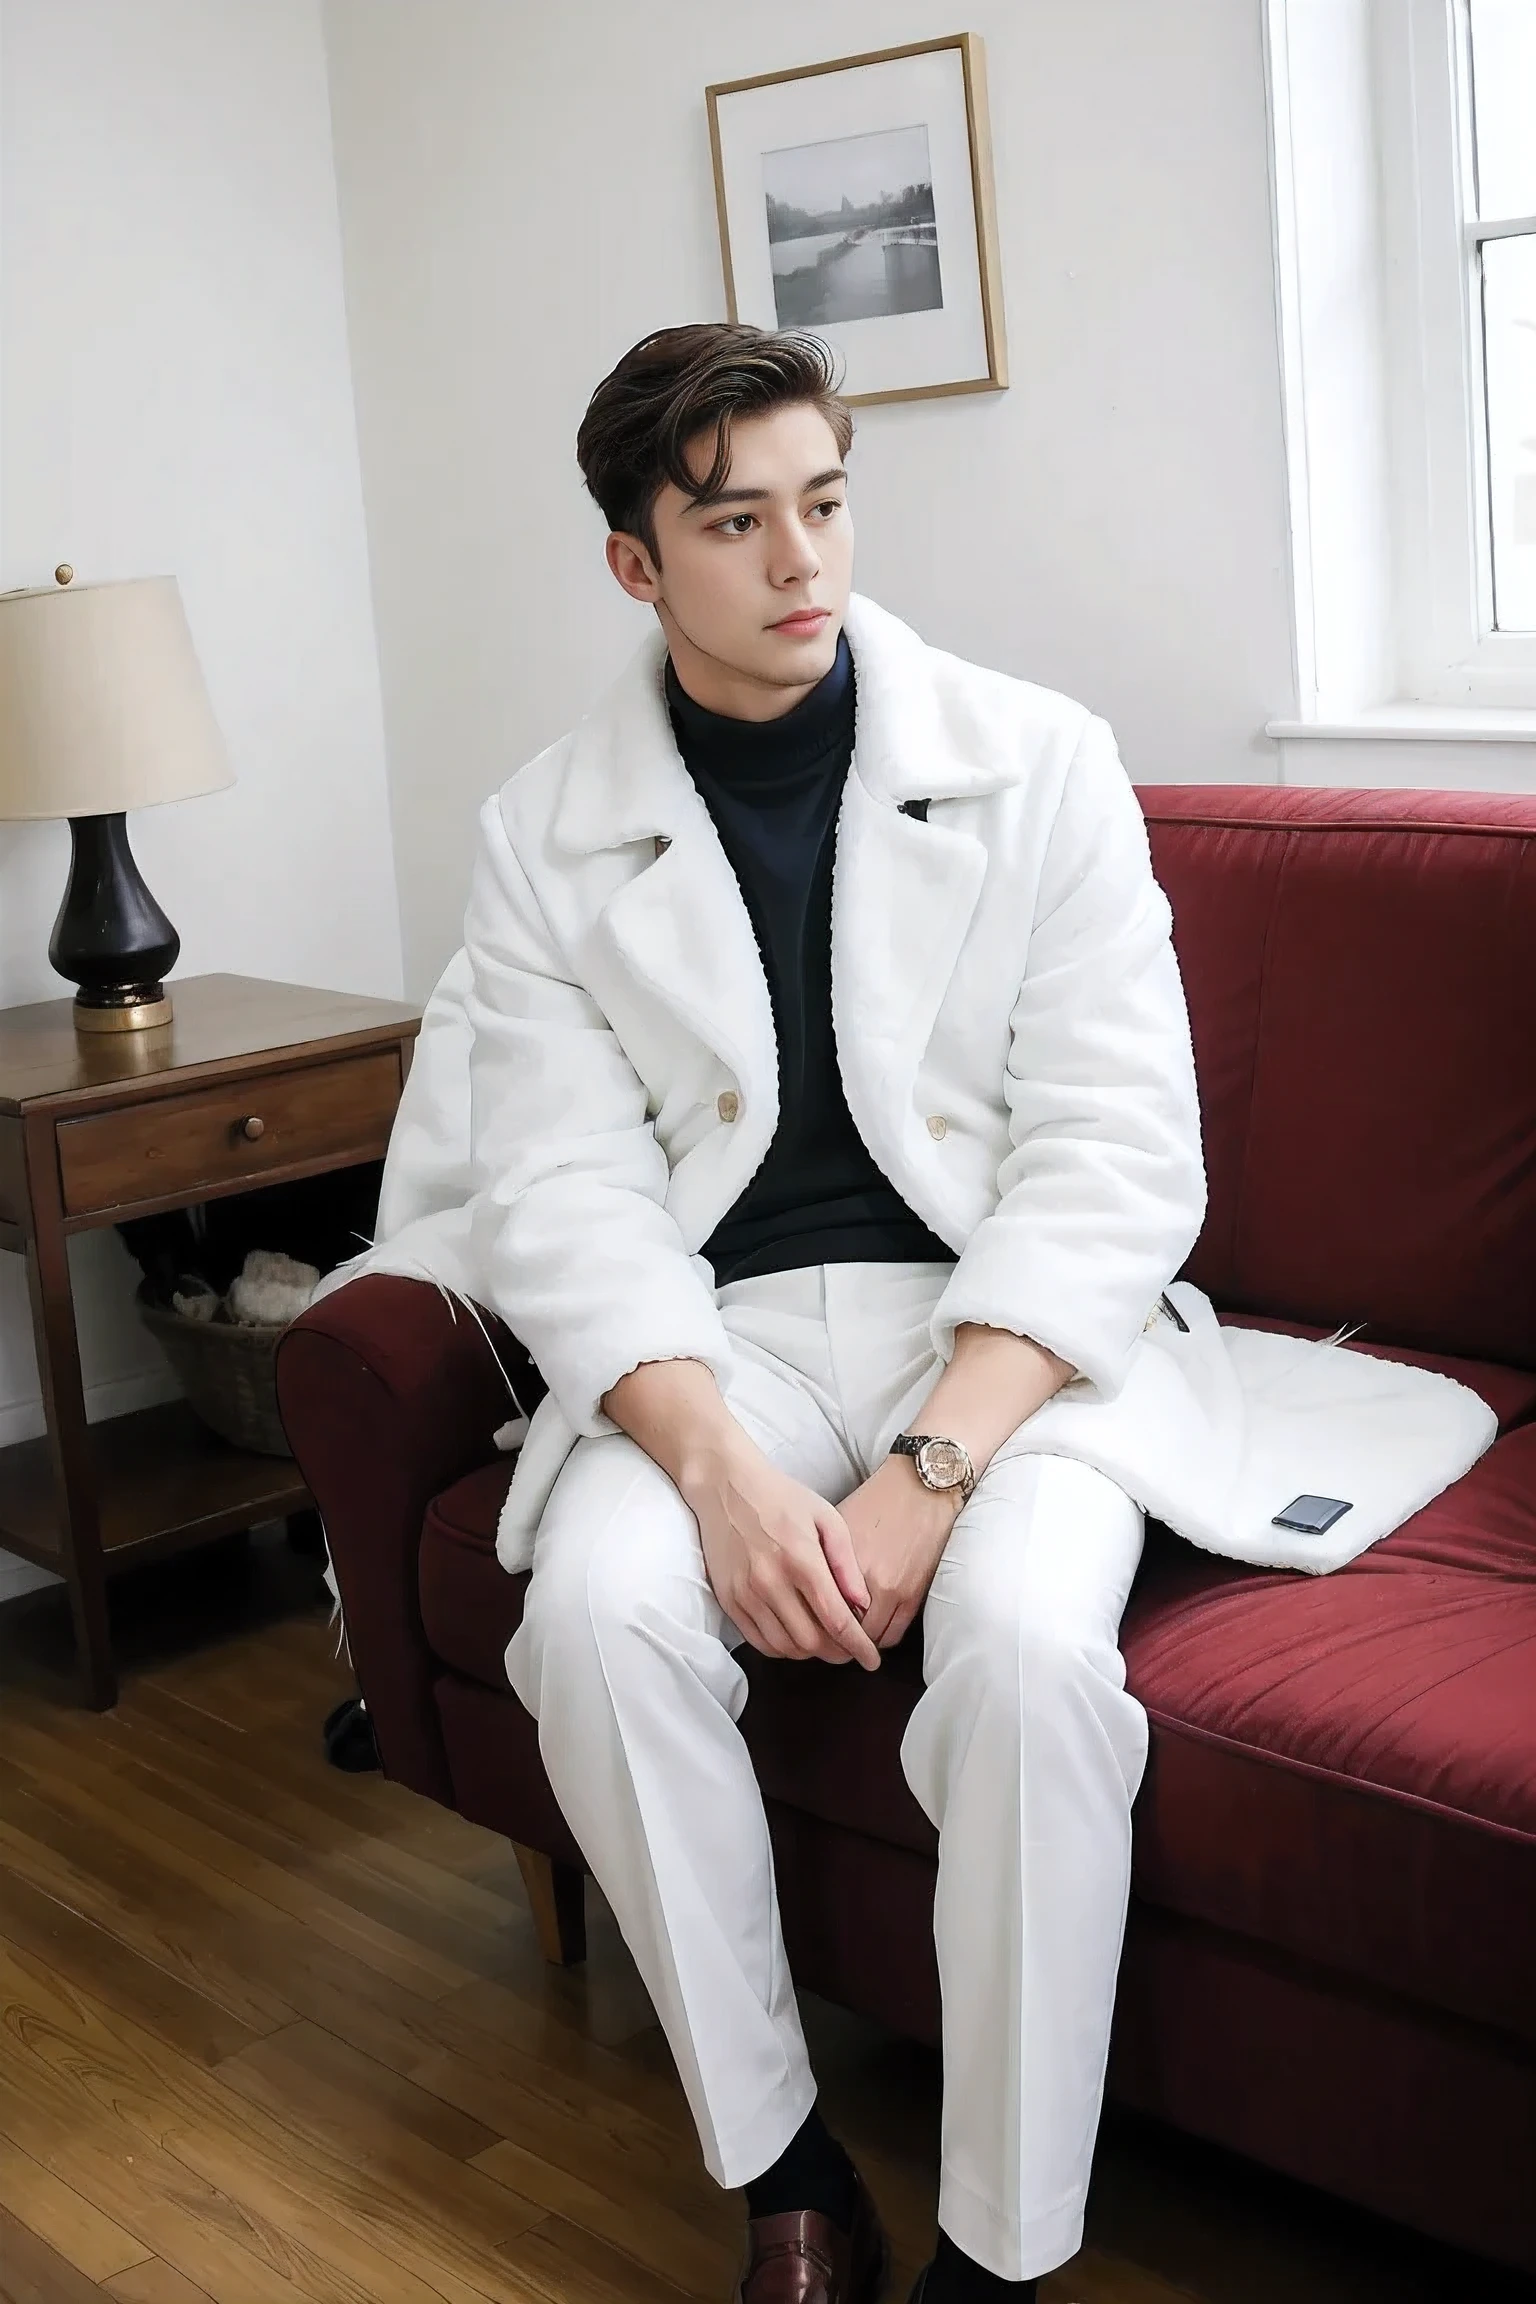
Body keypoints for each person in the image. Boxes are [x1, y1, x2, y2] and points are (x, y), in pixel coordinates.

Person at [321, 322, 1494, 2304]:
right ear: (636, 561)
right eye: (736, 521)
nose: (802, 561)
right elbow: (561, 1192)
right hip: (721, 1336)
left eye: (828, 503)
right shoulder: (543, 832)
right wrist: (705, 1466)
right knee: (597, 1618)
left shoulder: (1037, 761)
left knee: (1033, 1659)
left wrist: (933, 1475)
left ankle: (999, 2240)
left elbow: (1117, 1155)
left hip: (1009, 1337)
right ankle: (785, 2172)